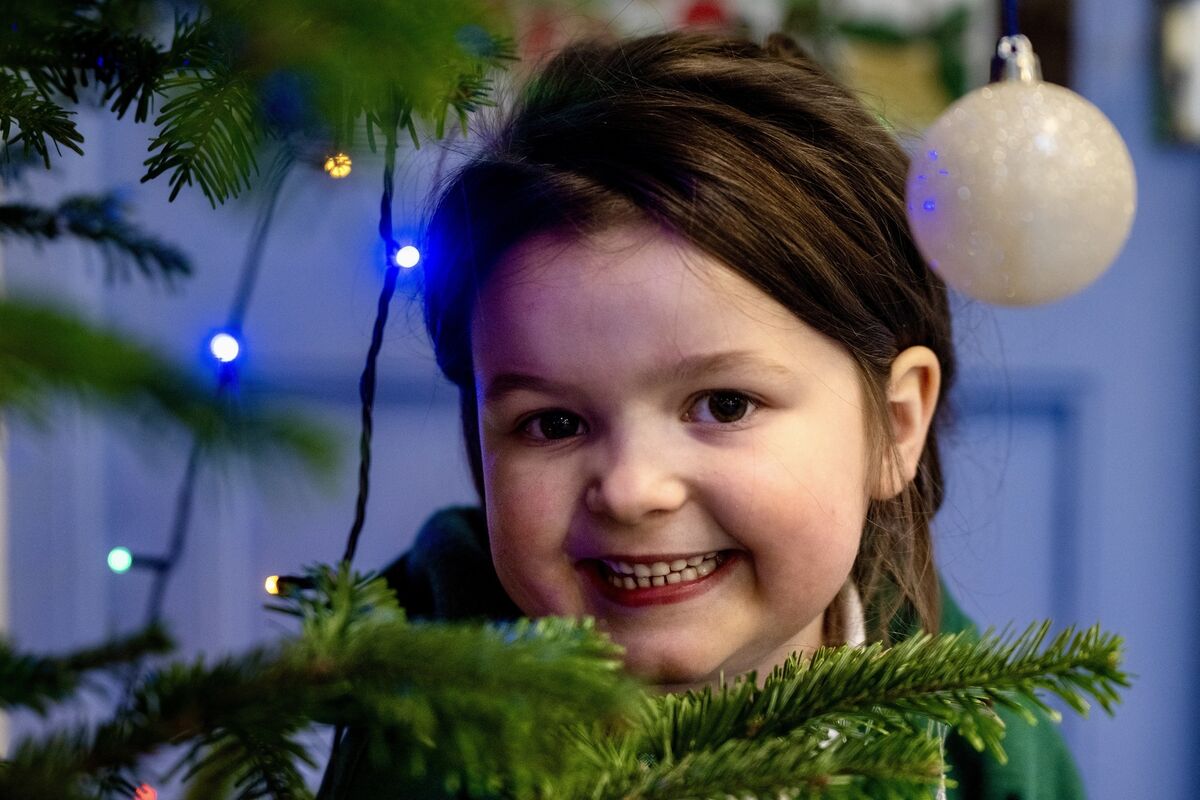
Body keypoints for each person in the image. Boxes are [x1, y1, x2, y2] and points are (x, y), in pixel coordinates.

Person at [319, 30, 1083, 799]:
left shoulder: (983, 737)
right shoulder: (417, 739)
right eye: (553, 423)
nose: (630, 489)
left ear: (896, 424)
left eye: (722, 405)